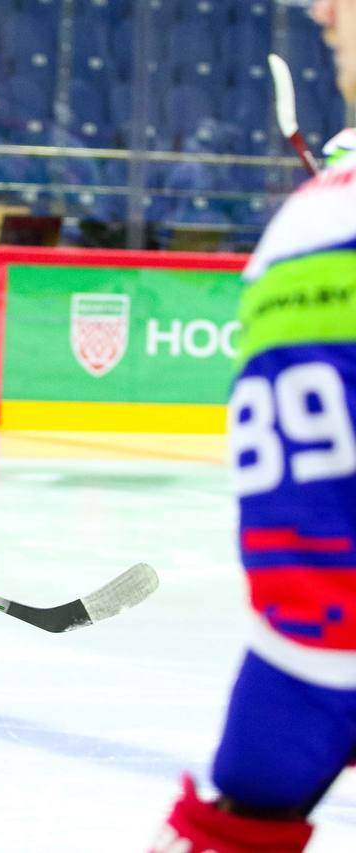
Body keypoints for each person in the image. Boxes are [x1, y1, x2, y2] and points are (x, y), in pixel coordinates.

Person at [152, 3, 356, 850]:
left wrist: (300, 694)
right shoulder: (327, 210)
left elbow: (322, 602)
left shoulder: (324, 223)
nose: (319, 10)